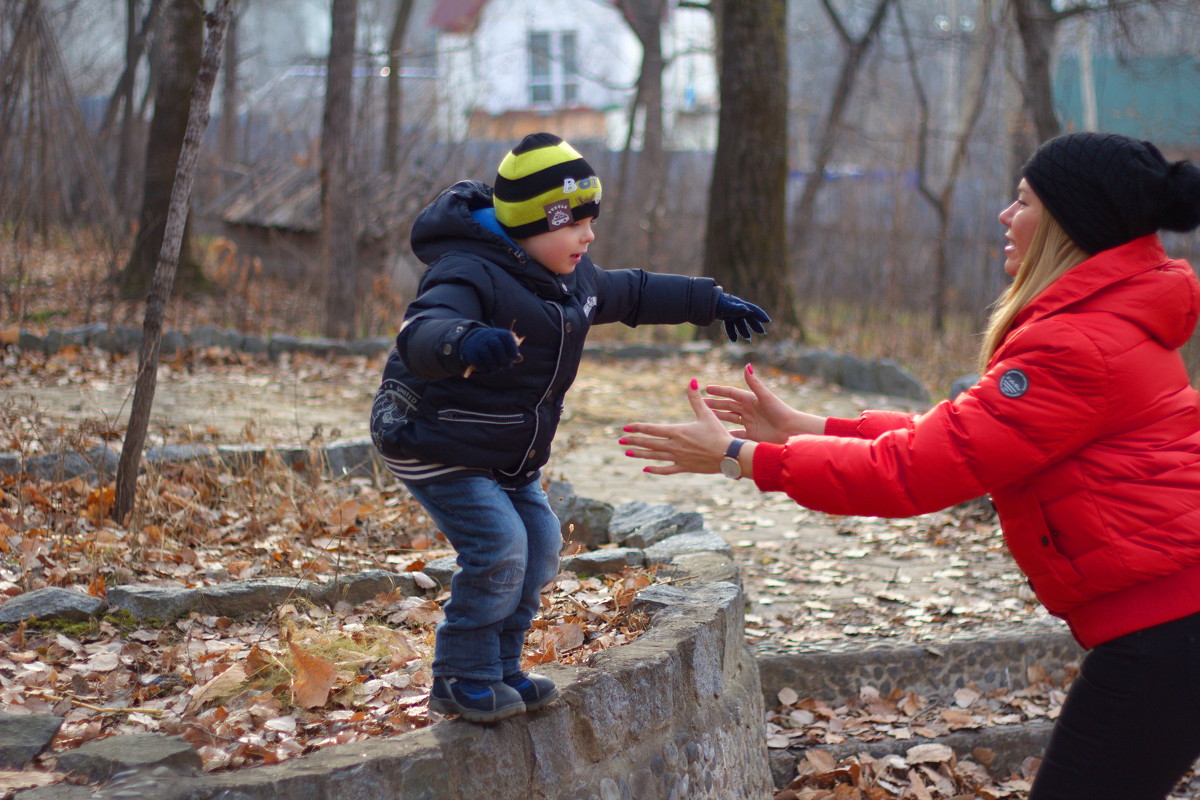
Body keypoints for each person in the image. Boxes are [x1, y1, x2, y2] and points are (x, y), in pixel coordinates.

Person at [620, 132, 1200, 799]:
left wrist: (739, 459)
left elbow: (914, 473)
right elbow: (960, 437)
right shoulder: (1100, 325)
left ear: (1071, 222)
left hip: (1169, 634)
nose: (1007, 218)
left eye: (1022, 201)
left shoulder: (1076, 344)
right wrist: (811, 427)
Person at [369, 132, 770, 724]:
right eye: (572, 222)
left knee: (541, 548)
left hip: (505, 450)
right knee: (500, 546)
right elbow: (424, 328)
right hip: (435, 436)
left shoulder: (571, 279)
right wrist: (463, 340)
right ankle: (461, 676)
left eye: (592, 220)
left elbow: (633, 291)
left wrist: (709, 302)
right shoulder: (467, 272)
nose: (587, 235)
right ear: (530, 223)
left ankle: (500, 668)